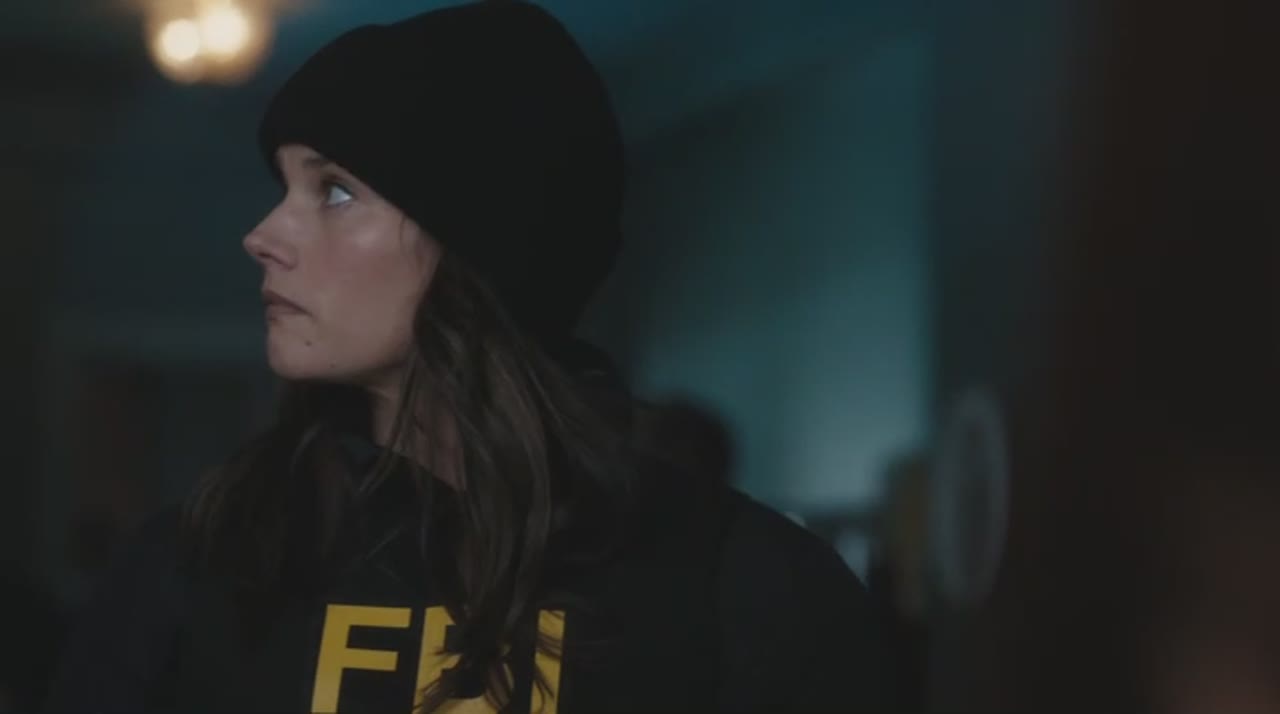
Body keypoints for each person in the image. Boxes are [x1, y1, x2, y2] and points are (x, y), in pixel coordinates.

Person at [46, 2, 889, 712]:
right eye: (284, 188)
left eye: (334, 191)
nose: (262, 236)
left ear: (482, 246)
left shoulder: (745, 587)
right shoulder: (196, 568)